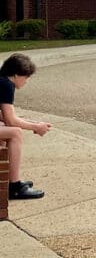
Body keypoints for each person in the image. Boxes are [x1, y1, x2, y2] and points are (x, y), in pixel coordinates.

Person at [0, 53, 50, 200]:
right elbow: (11, 121)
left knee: (6, 129)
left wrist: (33, 123)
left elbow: (4, 117)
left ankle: (5, 180)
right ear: (16, 75)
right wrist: (35, 127)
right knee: (15, 133)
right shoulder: (6, 85)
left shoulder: (1, 81)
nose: (27, 81)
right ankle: (14, 186)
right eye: (26, 77)